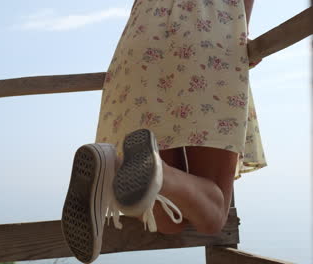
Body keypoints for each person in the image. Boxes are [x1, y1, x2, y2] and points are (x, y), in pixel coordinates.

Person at [61, 0, 266, 263]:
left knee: (168, 220)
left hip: (142, 36)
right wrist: (242, 29)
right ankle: (157, 172)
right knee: (214, 215)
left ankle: (116, 166)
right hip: (209, 32)